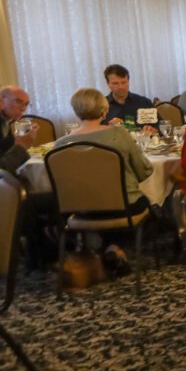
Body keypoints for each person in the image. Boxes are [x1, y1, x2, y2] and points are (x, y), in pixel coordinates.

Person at [55, 88, 154, 274]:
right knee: (149, 207)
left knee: (103, 202)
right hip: (124, 207)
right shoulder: (119, 135)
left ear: (76, 111)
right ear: (104, 110)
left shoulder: (60, 144)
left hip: (81, 210)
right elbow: (144, 170)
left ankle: (106, 250)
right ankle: (115, 248)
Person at [102, 64, 155, 128]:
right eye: (115, 83)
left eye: (124, 82)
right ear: (108, 84)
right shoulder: (100, 107)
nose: (120, 87)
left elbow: (160, 125)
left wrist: (154, 129)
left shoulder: (144, 102)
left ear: (128, 82)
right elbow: (94, 132)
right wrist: (108, 128)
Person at [0, 85, 36, 173]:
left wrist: (19, 142)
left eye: (26, 104)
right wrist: (22, 145)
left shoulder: (5, 122)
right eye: (18, 101)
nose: (23, 109)